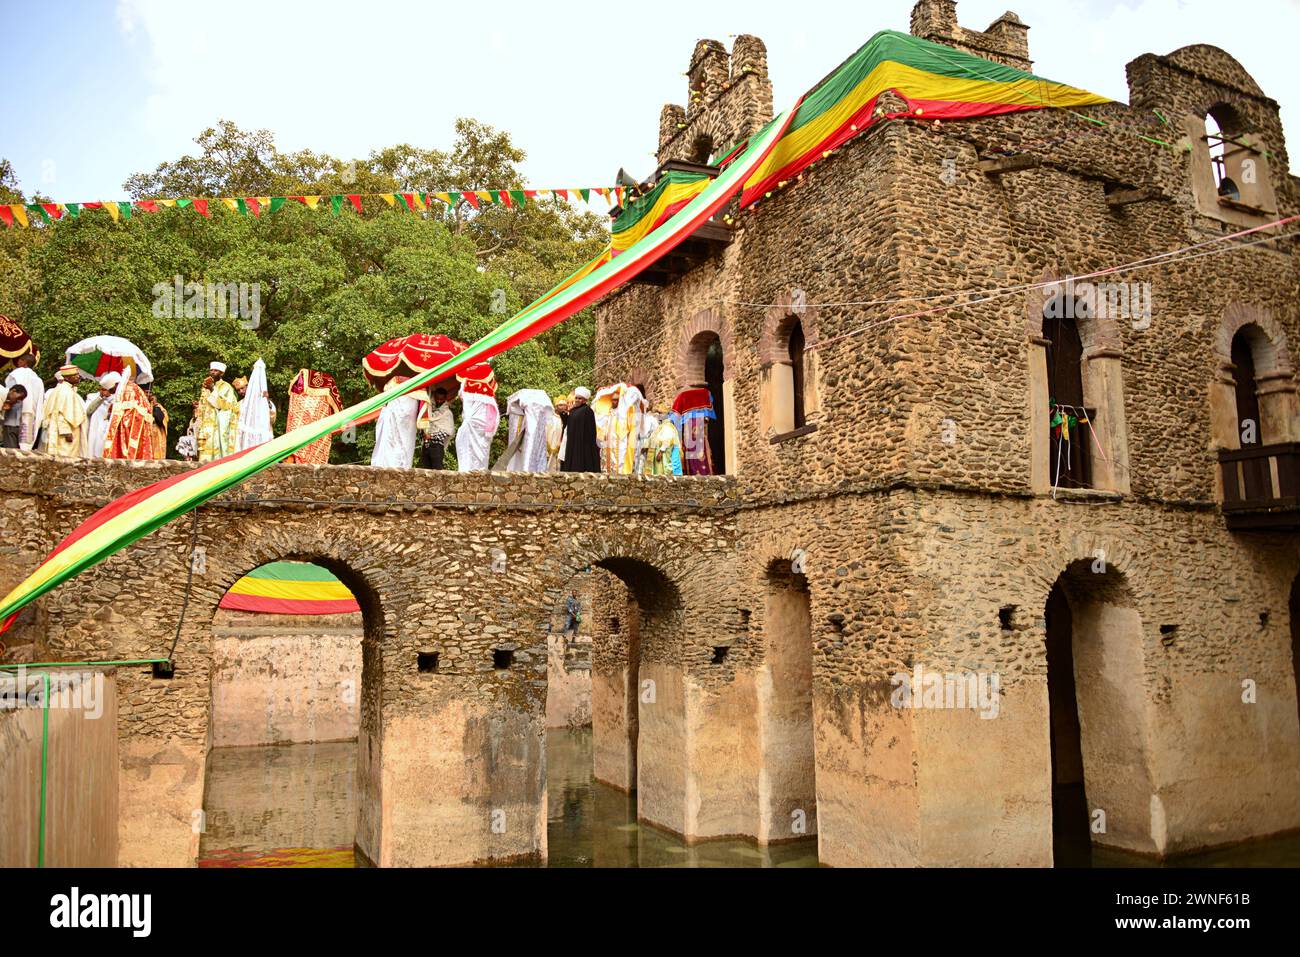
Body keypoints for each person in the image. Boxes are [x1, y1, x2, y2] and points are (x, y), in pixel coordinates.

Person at [286, 369, 342, 465]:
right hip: (316, 430)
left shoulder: (299, 398)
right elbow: (338, 407)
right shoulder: (327, 387)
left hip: (301, 434)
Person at [370, 376, 422, 468]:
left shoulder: (415, 393)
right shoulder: (395, 385)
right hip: (394, 420)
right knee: (390, 442)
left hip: (405, 424)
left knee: (402, 445)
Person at [104, 375, 159, 460]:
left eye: (112, 390)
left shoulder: (128, 390)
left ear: (115, 384)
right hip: (135, 423)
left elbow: (128, 414)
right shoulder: (127, 387)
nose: (112, 393)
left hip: (132, 425)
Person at [42, 365, 88, 459]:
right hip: (65, 434)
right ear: (67, 378)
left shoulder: (69, 390)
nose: (78, 377)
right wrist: (66, 432)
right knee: (64, 456)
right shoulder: (63, 391)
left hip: (72, 431)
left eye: (78, 374)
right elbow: (59, 413)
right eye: (75, 375)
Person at [197, 361, 239, 462]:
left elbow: (223, 406)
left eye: (215, 371)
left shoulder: (226, 387)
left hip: (218, 425)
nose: (212, 372)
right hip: (206, 425)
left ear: (222, 373)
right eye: (211, 370)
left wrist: (212, 389)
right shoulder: (205, 387)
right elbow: (202, 405)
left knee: (216, 453)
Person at [455, 381, 500, 472]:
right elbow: (493, 417)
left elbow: (461, 395)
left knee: (467, 453)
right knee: (480, 456)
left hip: (475, 426)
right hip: (481, 427)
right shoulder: (489, 395)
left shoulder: (467, 383)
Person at [4, 352, 44, 451]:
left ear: (24, 362)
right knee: (24, 452)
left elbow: (8, 395)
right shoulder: (38, 380)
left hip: (12, 419)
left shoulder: (15, 375)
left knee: (11, 452)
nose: (17, 362)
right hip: (29, 422)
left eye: (20, 359)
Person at [234, 360, 276, 451]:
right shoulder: (239, 404)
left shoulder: (262, 401)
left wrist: (267, 400)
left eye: (242, 388)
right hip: (245, 439)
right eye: (238, 390)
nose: (241, 391)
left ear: (248, 387)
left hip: (262, 437)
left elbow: (272, 418)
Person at [559, 386, 600, 473]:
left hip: (582, 443)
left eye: (580, 398)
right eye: (576, 398)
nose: (577, 400)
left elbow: (590, 430)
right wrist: (563, 415)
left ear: (585, 400)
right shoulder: (573, 410)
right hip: (572, 442)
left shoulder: (588, 411)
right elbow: (569, 424)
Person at [85, 372, 121, 459]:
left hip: (108, 431)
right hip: (95, 431)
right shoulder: (92, 397)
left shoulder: (118, 398)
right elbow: (88, 411)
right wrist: (101, 398)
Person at [420, 387, 454, 469]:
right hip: (426, 446)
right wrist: (423, 434)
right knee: (425, 472)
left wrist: (431, 436)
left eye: (441, 399)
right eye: (437, 399)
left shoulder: (447, 413)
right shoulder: (429, 410)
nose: (439, 401)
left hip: (437, 447)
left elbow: (447, 432)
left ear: (445, 399)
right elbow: (422, 424)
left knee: (437, 473)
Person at [646, 405, 684, 475]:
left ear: (666, 415)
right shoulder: (662, 425)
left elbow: (667, 439)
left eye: (660, 414)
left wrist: (661, 451)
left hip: (664, 454)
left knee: (664, 471)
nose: (659, 415)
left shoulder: (668, 426)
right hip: (662, 452)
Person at [145, 386, 169, 459]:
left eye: (149, 392)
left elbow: (160, 420)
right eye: (146, 392)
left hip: (155, 434)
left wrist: (155, 405)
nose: (148, 394)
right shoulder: (139, 405)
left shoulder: (158, 406)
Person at [545, 396, 567, 472]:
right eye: (560, 405)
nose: (563, 407)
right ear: (556, 407)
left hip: (562, 444)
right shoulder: (551, 417)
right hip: (552, 443)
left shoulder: (566, 417)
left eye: (564, 405)